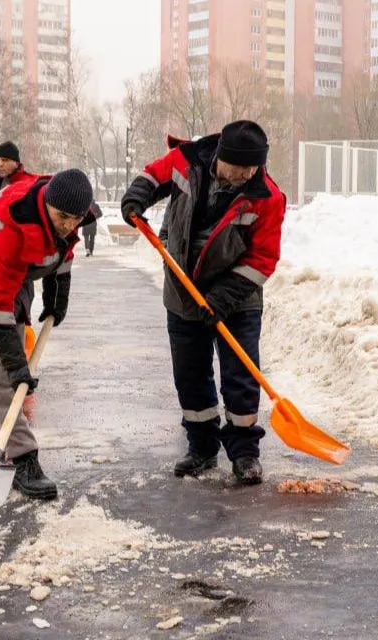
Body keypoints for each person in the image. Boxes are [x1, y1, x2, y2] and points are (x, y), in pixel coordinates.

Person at [119, 120, 286, 485]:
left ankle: (244, 453)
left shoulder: (267, 197)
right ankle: (201, 447)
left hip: (236, 296)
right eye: (237, 167)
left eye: (250, 169)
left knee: (240, 376)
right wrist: (135, 198)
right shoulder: (187, 160)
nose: (243, 175)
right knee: (190, 373)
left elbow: (263, 259)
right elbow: (152, 177)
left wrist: (222, 298)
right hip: (183, 286)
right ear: (221, 157)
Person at [0, 168, 98, 501]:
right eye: (63, 217)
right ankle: (23, 458)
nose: (70, 225)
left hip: (14, 282)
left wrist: (58, 299)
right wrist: (16, 369)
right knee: (3, 373)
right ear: (47, 206)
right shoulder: (15, 226)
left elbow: (64, 254)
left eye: (77, 218)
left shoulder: (67, 218)